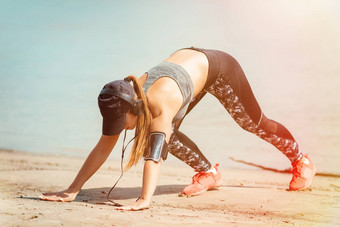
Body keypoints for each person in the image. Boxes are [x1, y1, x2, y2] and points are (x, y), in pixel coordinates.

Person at [40, 47, 317, 210]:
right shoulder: (124, 98)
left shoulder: (160, 103)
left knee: (253, 123)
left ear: (133, 109)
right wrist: (72, 189)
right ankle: (210, 174)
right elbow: (103, 146)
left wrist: (143, 199)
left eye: (121, 124)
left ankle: (301, 159)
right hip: (188, 71)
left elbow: (154, 154)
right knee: (151, 132)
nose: (120, 131)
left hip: (219, 68)